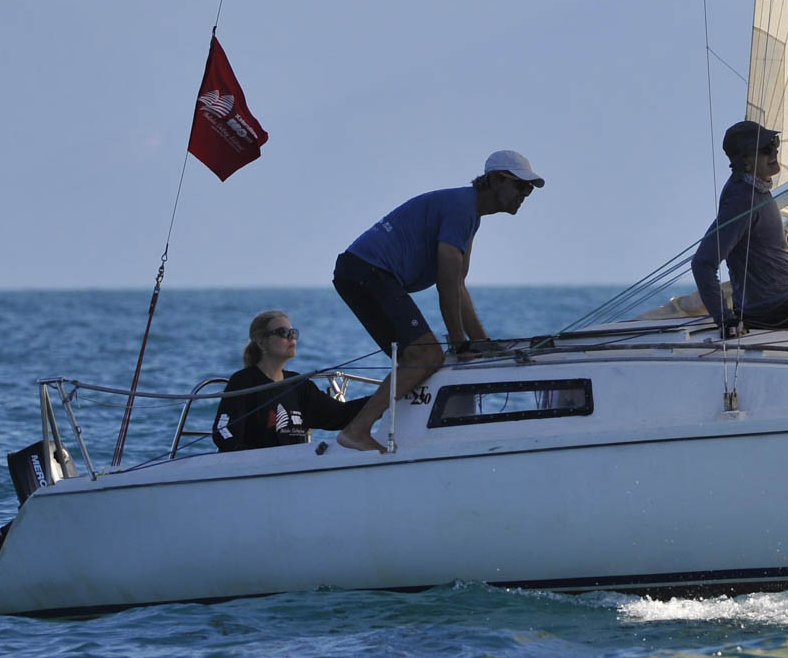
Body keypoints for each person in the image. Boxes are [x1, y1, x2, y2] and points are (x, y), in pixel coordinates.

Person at [330, 149, 544, 452]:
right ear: (496, 180)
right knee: (426, 355)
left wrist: (480, 343)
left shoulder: (469, 214)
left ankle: (374, 431)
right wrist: (459, 343)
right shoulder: (462, 209)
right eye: (520, 185)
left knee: (418, 357)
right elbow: (446, 283)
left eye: (529, 190)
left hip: (358, 272)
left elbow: (458, 285)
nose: (525, 194)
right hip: (368, 271)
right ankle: (356, 431)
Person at [691, 120, 788, 336]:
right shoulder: (742, 199)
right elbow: (702, 263)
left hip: (786, 304)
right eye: (765, 149)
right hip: (777, 312)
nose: (774, 151)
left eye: (774, 142)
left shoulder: (757, 189)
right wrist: (725, 320)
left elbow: (762, 247)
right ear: (745, 160)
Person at [212, 310, 370, 452]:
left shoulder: (299, 385)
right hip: (259, 470)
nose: (291, 337)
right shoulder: (243, 381)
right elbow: (223, 432)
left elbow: (341, 415)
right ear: (261, 342)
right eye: (283, 332)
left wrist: (381, 399)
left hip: (293, 467)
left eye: (293, 332)